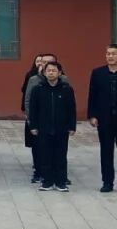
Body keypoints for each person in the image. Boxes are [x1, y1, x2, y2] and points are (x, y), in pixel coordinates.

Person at [29, 61, 78, 192]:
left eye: (54, 70)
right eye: (48, 70)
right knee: (45, 155)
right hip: (43, 128)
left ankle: (61, 182)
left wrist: (72, 126)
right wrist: (33, 126)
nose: (51, 73)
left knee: (61, 155)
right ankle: (47, 182)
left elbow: (72, 109)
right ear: (44, 73)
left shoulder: (66, 89)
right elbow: (33, 109)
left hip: (61, 128)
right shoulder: (38, 89)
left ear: (60, 73)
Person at [24, 53, 60, 183]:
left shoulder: (63, 79)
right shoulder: (34, 79)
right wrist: (30, 119)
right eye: (42, 62)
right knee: (38, 148)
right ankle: (39, 172)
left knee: (57, 149)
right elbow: (27, 100)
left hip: (56, 122)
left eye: (48, 62)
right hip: (38, 121)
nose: (44, 65)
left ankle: (57, 173)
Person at [87, 44, 117, 193]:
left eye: (113, 54)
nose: (110, 56)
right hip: (105, 119)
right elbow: (92, 96)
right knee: (106, 151)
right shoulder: (98, 73)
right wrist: (92, 115)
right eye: (108, 54)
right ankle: (107, 182)